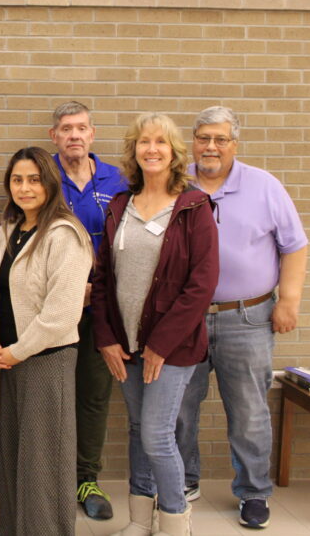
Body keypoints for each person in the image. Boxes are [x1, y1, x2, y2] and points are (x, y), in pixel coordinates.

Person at [175, 106, 308, 530]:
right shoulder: (177, 183)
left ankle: (253, 492)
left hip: (247, 317)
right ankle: (183, 481)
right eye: (202, 137)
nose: (210, 146)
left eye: (220, 139)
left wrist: (288, 300)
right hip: (185, 319)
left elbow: (295, 246)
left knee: (249, 411)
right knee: (179, 407)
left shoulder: (264, 186)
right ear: (192, 141)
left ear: (235, 144)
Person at [91, 113, 219, 536]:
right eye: (144, 142)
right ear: (134, 151)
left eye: (160, 142)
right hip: (124, 344)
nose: (151, 149)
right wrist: (106, 337)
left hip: (173, 348)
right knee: (137, 430)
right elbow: (104, 278)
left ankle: (176, 523)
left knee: (158, 435)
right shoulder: (119, 206)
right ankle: (140, 521)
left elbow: (201, 285)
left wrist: (161, 344)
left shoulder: (195, 207)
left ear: (174, 152)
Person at [0, 146, 93, 536]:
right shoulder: (6, 232)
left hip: (47, 360)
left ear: (50, 182)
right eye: (17, 180)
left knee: (43, 463)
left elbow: (62, 313)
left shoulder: (66, 235)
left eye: (33, 179)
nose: (25, 188)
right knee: (14, 459)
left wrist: (15, 352)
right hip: (10, 359)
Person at [48, 101, 127, 520]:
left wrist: (95, 289)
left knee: (94, 396)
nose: (74, 135)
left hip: (102, 307)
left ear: (92, 134)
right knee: (52, 393)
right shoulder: (44, 178)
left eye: (81, 128)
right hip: (54, 307)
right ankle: (52, 478)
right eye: (65, 129)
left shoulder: (117, 179)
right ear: (54, 137)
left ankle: (86, 478)